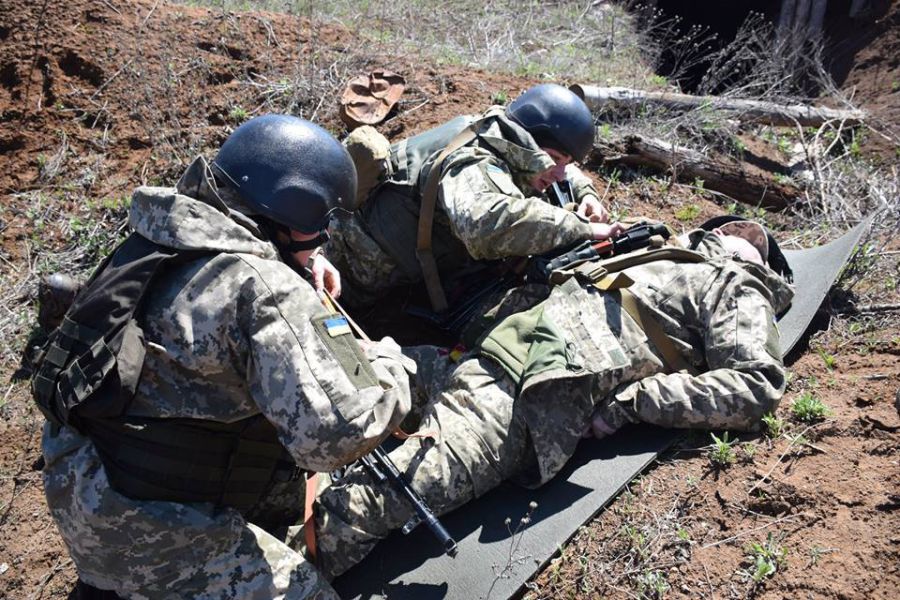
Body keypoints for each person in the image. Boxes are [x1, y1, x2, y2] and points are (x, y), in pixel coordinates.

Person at [32, 115, 414, 599]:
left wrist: (299, 262)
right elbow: (336, 437)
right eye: (320, 228)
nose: (324, 239)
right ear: (292, 214)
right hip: (143, 531)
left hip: (81, 480)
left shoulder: (158, 240)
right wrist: (388, 366)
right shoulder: (262, 287)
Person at [313, 219, 795, 578]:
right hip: (477, 357)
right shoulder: (651, 251)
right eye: (727, 228)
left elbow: (756, 385)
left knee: (360, 507)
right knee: (331, 369)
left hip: (520, 403)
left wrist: (632, 402)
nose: (729, 233)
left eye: (748, 239)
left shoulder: (735, 285)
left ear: (759, 264)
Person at [325, 83, 623, 311]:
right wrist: (583, 228)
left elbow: (563, 169)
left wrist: (586, 193)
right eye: (554, 159)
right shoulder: (470, 162)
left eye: (565, 163)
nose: (559, 173)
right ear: (528, 141)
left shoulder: (499, 130)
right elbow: (486, 226)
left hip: (401, 268)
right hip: (347, 273)